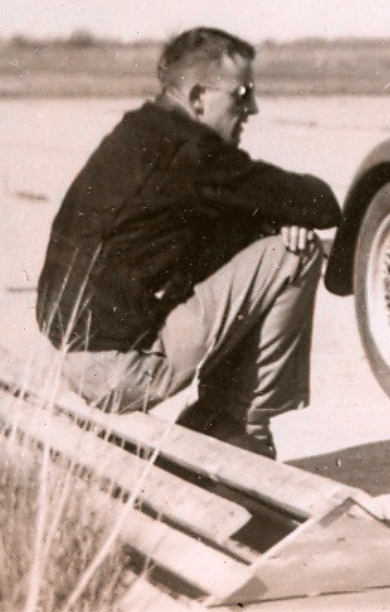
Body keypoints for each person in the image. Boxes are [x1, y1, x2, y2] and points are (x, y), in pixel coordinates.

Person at [35, 27, 340, 458]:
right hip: (121, 371)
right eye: (242, 94)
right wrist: (281, 221)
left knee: (257, 242)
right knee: (296, 253)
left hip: (80, 355)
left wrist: (268, 221)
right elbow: (321, 205)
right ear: (199, 98)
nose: (253, 108)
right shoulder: (194, 153)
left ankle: (214, 421)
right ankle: (239, 428)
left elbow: (210, 228)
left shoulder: (140, 132)